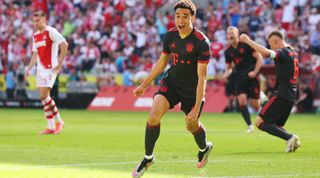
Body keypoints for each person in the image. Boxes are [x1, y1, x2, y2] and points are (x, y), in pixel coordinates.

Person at [131, 1, 213, 177]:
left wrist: (197, 107)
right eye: (178, 16)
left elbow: (202, 78)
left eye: (185, 16)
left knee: (191, 125)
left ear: (193, 17)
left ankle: (204, 148)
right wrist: (144, 85)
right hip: (172, 83)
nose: (180, 20)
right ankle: (148, 158)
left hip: (192, 89)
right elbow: (162, 62)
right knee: (153, 116)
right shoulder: (170, 36)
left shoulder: (201, 42)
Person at [239, 31, 301, 153]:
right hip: (290, 95)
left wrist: (247, 40)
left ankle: (290, 137)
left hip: (281, 94)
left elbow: (266, 53)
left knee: (259, 122)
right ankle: (293, 141)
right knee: (276, 125)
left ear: (276, 42)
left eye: (271, 44)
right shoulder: (293, 52)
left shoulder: (283, 52)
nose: (270, 46)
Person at [25, 11, 68, 134]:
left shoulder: (51, 31)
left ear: (44, 19)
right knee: (44, 98)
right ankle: (51, 127)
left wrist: (59, 64)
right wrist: (29, 68)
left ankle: (59, 121)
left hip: (50, 67)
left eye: (38, 20)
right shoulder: (35, 36)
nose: (35, 23)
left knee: (43, 96)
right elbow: (35, 54)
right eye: (34, 21)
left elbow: (64, 45)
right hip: (40, 69)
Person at [223, 26, 263, 133]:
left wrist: (255, 72)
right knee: (241, 101)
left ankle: (262, 98)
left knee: (256, 105)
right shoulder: (228, 52)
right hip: (240, 78)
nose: (230, 34)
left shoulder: (246, 45)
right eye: (228, 33)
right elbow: (229, 68)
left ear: (237, 34)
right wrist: (226, 74)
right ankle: (250, 126)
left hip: (252, 77)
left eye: (232, 32)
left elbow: (259, 58)